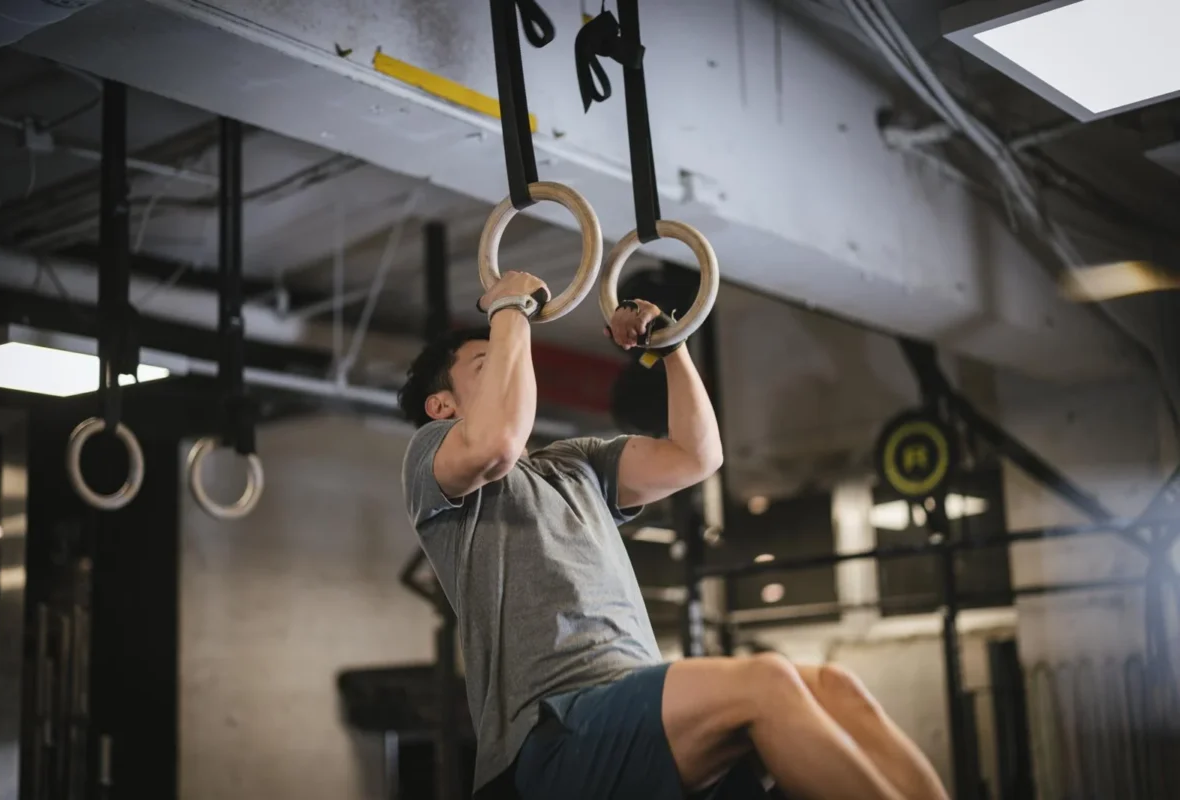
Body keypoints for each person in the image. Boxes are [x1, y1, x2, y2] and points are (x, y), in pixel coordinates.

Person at [398, 270, 949, 800]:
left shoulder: (573, 464)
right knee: (767, 681)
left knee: (834, 689)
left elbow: (697, 456)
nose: (510, 367)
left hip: (636, 707)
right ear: (442, 406)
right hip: (556, 731)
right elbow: (495, 441)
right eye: (487, 363)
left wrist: (669, 346)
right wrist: (508, 307)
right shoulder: (431, 456)